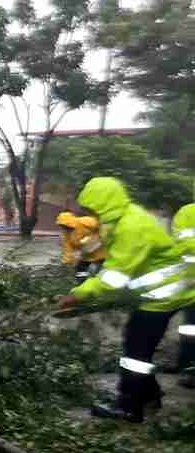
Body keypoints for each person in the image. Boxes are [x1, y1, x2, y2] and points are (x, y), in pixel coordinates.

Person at [58, 177, 195, 422]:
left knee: (135, 350)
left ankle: (129, 407)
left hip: (163, 295)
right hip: (162, 293)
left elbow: (114, 278)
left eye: (91, 209)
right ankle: (149, 395)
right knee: (137, 345)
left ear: (103, 204)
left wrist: (77, 294)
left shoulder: (132, 226)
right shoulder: (123, 218)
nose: (90, 214)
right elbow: (115, 264)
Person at [172, 203, 195, 388]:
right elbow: (183, 243)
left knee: (190, 327)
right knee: (190, 327)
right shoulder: (187, 212)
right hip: (191, 283)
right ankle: (188, 367)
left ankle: (188, 367)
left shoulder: (187, 212)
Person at [56, 211, 107, 279]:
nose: (64, 227)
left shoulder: (85, 221)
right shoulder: (67, 235)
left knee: (99, 269)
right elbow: (67, 250)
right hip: (86, 254)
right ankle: (82, 282)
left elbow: (101, 225)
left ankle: (103, 283)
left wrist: (98, 237)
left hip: (100, 250)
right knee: (80, 268)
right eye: (62, 226)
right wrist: (67, 262)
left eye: (64, 225)